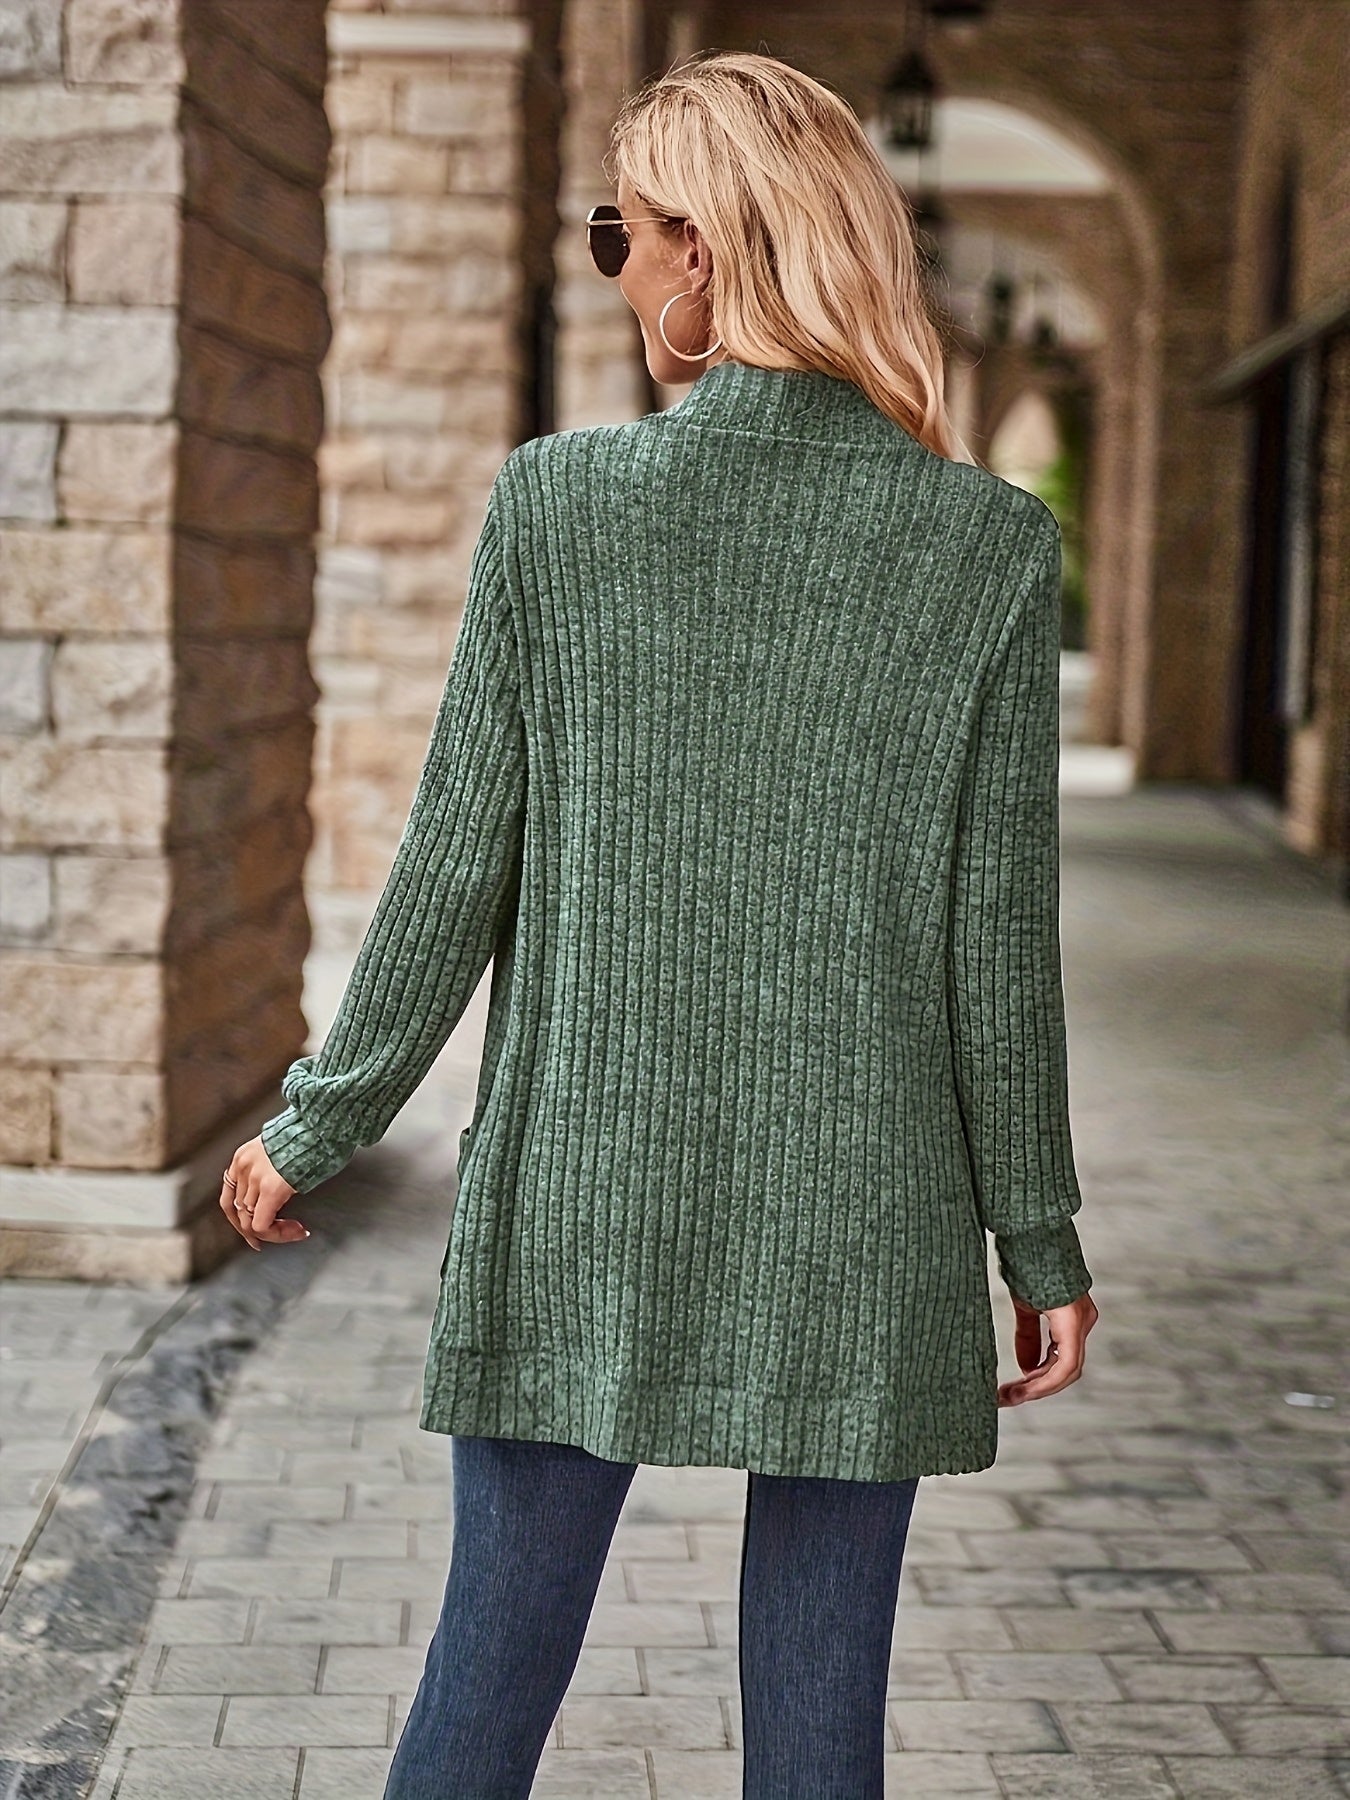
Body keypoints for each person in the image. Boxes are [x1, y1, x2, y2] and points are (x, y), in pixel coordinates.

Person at [220, 49, 1098, 1800]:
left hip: (585, 1189)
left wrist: (319, 1119)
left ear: (700, 249)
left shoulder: (560, 507)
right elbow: (993, 948)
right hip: (864, 1208)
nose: (613, 265)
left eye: (616, 231)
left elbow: (455, 863)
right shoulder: (984, 547)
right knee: (820, 1737)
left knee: (487, 1680)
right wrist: (1039, 1244)